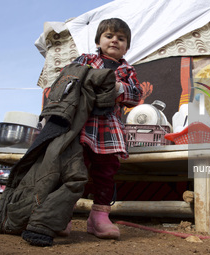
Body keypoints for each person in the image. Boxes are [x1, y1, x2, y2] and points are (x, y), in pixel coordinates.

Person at [69, 18, 142, 239]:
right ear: (98, 40)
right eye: (109, 36)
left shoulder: (128, 70)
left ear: (126, 47)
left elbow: (136, 95)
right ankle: (62, 214)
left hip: (109, 128)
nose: (114, 41)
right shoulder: (86, 59)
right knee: (74, 169)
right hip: (82, 124)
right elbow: (68, 80)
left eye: (121, 39)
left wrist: (119, 87)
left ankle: (99, 217)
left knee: (106, 171)